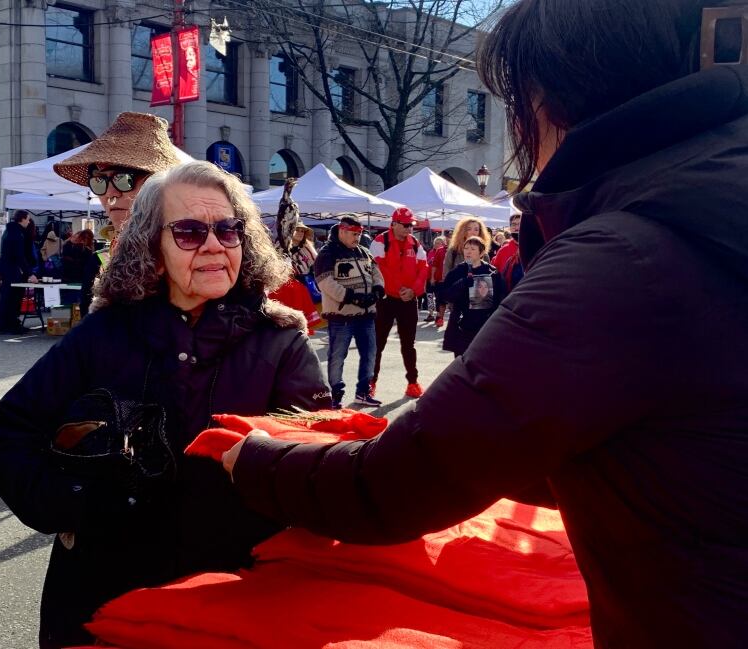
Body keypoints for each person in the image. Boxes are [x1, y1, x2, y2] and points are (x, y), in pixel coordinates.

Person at [222, 1, 748, 647]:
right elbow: (657, 451)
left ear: (547, 97)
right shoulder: (703, 202)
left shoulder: (628, 255)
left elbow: (399, 483)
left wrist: (248, 459)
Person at [0, 161, 331, 648]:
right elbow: (8, 437)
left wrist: (264, 469)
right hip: (105, 601)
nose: (214, 244)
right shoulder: (102, 335)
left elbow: (320, 470)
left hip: (234, 604)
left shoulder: (281, 344)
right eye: (189, 232)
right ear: (154, 251)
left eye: (229, 230)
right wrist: (78, 505)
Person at [53, 111, 182, 312]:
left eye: (124, 179)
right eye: (99, 181)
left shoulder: (193, 246)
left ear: (159, 184)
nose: (110, 193)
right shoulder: (103, 257)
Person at [314, 215, 385, 409]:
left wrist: (378, 288)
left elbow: (376, 271)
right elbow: (324, 282)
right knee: (337, 356)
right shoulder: (328, 253)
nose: (358, 237)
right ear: (342, 231)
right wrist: (351, 296)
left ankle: (363, 392)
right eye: (354, 234)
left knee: (370, 354)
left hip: (367, 314)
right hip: (341, 315)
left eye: (360, 233)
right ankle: (335, 395)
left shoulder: (363, 251)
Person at [368, 206, 428, 398]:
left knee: (408, 344)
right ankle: (370, 382)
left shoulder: (416, 244)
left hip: (409, 300)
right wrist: (401, 289)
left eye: (411, 225)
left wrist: (414, 291)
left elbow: (423, 269)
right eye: (405, 225)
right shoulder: (379, 241)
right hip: (386, 300)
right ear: (393, 224)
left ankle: (413, 382)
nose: (409, 229)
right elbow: (378, 269)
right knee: (378, 343)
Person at [441, 236, 504, 357]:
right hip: (462, 326)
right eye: (466, 248)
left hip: (484, 328)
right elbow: (444, 296)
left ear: (481, 253)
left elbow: (500, 298)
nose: (468, 251)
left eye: (473, 249)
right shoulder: (457, 271)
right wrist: (461, 284)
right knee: (462, 364)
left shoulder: (492, 272)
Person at [0, 210, 38, 334]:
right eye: (28, 219)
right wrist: (29, 273)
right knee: (10, 297)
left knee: (14, 296)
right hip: (10, 269)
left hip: (9, 268)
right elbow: (19, 255)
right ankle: (7, 325)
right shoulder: (16, 233)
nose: (29, 221)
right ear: (22, 219)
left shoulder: (13, 231)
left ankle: (12, 323)